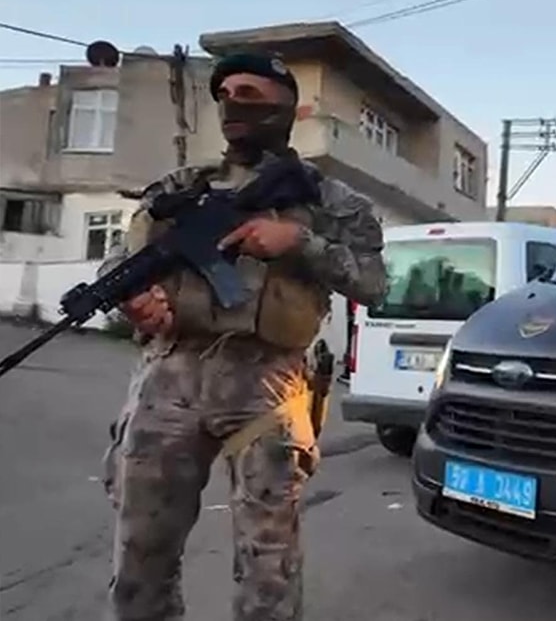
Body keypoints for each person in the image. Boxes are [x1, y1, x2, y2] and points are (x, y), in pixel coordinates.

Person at [99, 52, 388, 621]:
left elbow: (373, 283)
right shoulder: (180, 188)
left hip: (268, 385)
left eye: (251, 96)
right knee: (140, 554)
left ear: (288, 108)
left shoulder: (333, 203)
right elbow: (118, 263)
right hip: (169, 375)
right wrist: (135, 300)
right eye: (226, 95)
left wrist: (299, 242)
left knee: (268, 564)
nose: (233, 105)